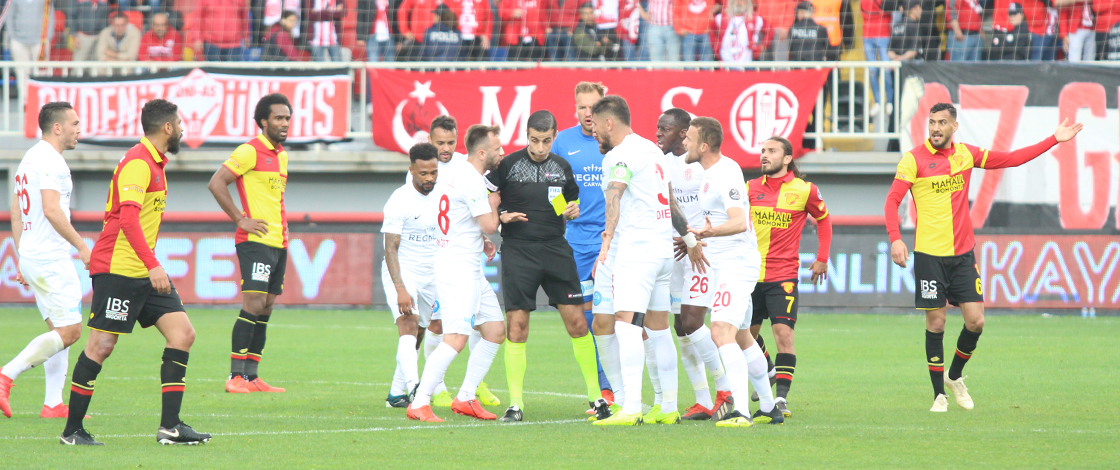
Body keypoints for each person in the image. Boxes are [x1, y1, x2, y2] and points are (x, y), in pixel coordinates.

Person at [884, 103, 1082, 413]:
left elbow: (1012, 159)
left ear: (954, 127)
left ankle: (955, 375)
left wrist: (1053, 139)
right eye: (932, 122)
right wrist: (895, 238)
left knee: (975, 322)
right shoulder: (913, 159)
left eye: (942, 123)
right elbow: (892, 200)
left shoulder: (966, 154)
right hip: (929, 255)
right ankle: (939, 395)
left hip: (963, 255)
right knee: (936, 323)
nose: (935, 128)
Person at [61, 99, 211, 446]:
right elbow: (127, 219)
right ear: (167, 128)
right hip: (118, 269)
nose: (183, 129)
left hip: (142, 272)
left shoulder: (155, 163)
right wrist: (152, 264)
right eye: (180, 123)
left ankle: (171, 428)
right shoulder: (138, 163)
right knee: (101, 345)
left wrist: (149, 266)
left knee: (182, 334)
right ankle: (72, 432)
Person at [485, 110, 608, 422]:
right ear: (527, 136)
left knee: (579, 324)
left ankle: (597, 398)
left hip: (556, 250)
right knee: (517, 326)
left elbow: (570, 203)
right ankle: (515, 404)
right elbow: (487, 199)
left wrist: (572, 210)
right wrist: (500, 218)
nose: (540, 147)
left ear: (555, 137)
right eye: (534, 140)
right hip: (518, 251)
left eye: (546, 141)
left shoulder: (562, 167)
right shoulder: (507, 165)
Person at [588, 95, 702, 426]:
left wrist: (607, 238)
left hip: (636, 251)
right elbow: (671, 200)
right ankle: (667, 408)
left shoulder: (619, 155)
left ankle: (631, 407)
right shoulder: (653, 152)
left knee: (626, 325)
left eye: (595, 126)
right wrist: (691, 239)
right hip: (663, 251)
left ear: (609, 122)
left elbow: (615, 192)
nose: (593, 133)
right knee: (659, 329)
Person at [679, 117, 781, 427]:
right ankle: (767, 407)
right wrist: (699, 234)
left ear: (704, 145)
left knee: (719, 330)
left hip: (736, 263)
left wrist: (709, 234)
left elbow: (739, 221)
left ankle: (740, 411)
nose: (684, 142)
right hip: (722, 263)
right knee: (741, 336)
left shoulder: (726, 173)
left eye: (690, 138)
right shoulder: (709, 173)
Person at [406, 125, 507, 422]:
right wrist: (496, 206)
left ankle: (465, 397)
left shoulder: (458, 173)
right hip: (458, 269)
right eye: (497, 149)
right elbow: (489, 223)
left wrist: (482, 239)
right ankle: (420, 401)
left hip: (468, 264)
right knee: (456, 339)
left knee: (494, 330)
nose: (501, 153)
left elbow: (461, 219)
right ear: (481, 153)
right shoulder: (473, 180)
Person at [0, 103, 90, 420]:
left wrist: (22, 253)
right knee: (71, 331)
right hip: (51, 259)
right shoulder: (51, 162)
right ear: (57, 128)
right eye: (75, 123)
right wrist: (81, 246)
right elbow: (52, 210)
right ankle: (6, 374)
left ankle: (53, 404)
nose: (79, 129)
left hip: (34, 255)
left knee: (57, 330)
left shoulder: (30, 157)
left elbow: (14, 209)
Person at [208, 93, 293, 395]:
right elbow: (216, 183)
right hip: (254, 241)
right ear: (263, 121)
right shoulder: (249, 151)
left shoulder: (281, 155)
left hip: (278, 241)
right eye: (279, 118)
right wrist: (240, 219)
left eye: (287, 118)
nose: (285, 123)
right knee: (253, 303)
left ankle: (253, 376)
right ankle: (234, 376)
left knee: (267, 306)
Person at [745, 136, 831, 418]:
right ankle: (769, 369)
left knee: (783, 334)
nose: (764, 155)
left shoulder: (805, 190)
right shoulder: (749, 188)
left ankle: (780, 399)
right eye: (762, 151)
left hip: (783, 276)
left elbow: (824, 220)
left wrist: (822, 258)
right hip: (748, 275)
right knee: (744, 335)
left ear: (786, 158)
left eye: (771, 151)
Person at [658, 108, 734, 422]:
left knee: (692, 322)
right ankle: (703, 400)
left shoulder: (703, 166)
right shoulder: (661, 163)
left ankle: (725, 389)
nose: (658, 134)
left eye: (664, 129)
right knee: (680, 327)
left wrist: (693, 237)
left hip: (703, 251)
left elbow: (716, 209)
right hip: (677, 254)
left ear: (682, 132)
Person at [552, 82, 614, 405]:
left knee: (615, 318)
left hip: (612, 242)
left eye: (593, 107)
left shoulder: (616, 140)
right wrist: (564, 207)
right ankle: (603, 389)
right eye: (582, 107)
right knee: (588, 319)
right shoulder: (563, 141)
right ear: (575, 109)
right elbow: (552, 190)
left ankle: (618, 387)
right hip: (577, 243)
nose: (588, 113)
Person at [381, 143, 441, 408]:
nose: (429, 178)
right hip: (403, 270)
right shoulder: (399, 199)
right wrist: (401, 288)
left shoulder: (443, 195)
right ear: (411, 170)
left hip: (432, 273)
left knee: (419, 332)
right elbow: (390, 248)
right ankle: (416, 390)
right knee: (408, 323)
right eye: (423, 173)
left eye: (433, 172)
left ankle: (396, 394)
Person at [4, 0, 53, 89]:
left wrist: (47, 38)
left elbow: (50, 15)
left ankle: (41, 99)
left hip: (40, 41)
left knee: (41, 72)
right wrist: (13, 36)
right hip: (19, 41)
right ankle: (24, 100)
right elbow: (9, 16)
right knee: (21, 72)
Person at [862, 0, 894, 116]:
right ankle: (878, 101)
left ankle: (889, 101)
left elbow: (890, 9)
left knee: (887, 69)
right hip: (867, 35)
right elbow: (864, 13)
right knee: (872, 70)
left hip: (884, 34)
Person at [67, 0, 111, 72]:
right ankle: (75, 82)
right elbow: (71, 16)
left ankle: (95, 82)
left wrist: (105, 37)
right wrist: (74, 35)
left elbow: (107, 16)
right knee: (78, 67)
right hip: (83, 36)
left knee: (97, 67)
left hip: (100, 36)